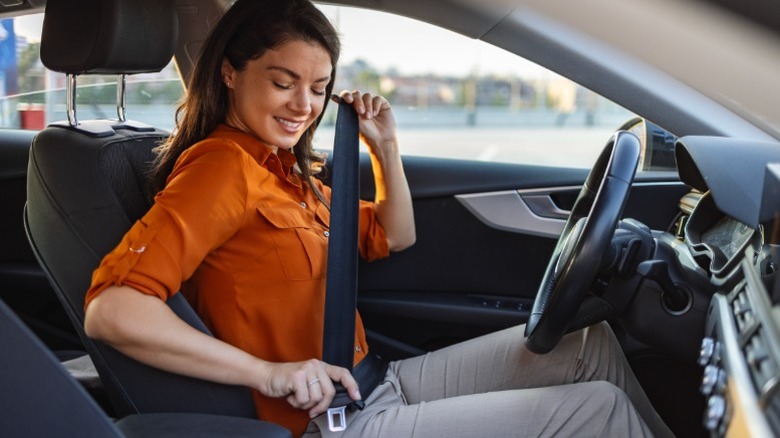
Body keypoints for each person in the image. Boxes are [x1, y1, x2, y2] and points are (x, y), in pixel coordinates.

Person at [83, 0, 673, 437]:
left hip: (374, 380)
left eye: (318, 88)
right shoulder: (221, 169)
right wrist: (267, 373)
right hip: (327, 421)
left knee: (590, 348)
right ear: (230, 73)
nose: (304, 106)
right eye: (282, 82)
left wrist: (384, 146)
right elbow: (112, 311)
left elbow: (394, 235)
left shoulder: (286, 173)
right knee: (598, 411)